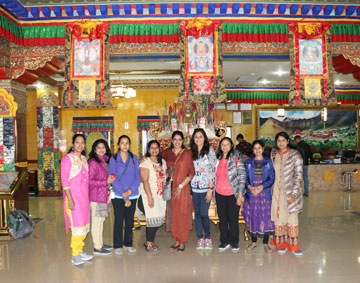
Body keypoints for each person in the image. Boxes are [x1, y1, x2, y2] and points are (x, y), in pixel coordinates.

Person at [61, 134, 93, 266]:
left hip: (84, 198)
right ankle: (75, 255)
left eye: (82, 143)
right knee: (77, 225)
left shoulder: (84, 159)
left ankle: (80, 250)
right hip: (73, 197)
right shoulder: (67, 159)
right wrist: (70, 199)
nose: (80, 145)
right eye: (77, 142)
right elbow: (65, 181)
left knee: (84, 225)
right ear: (73, 144)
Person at [271, 132, 303, 256]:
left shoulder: (295, 155)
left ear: (288, 141)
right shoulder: (273, 154)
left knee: (292, 217)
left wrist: (294, 193)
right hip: (276, 191)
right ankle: (281, 244)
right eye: (279, 141)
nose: (281, 143)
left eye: (283, 140)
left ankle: (294, 246)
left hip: (290, 192)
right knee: (279, 216)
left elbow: (298, 175)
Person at [162, 131, 195, 252]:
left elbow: (191, 172)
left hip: (182, 188)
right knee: (173, 214)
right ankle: (177, 239)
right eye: (175, 139)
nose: (177, 142)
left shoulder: (187, 153)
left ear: (183, 141)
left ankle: (182, 241)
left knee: (183, 213)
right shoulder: (166, 152)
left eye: (179, 139)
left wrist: (180, 186)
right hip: (170, 187)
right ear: (171, 140)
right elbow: (157, 161)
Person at [109, 135, 140, 255]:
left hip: (132, 195)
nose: (125, 145)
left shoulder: (134, 158)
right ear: (118, 145)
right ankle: (117, 245)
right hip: (118, 195)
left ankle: (128, 243)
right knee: (118, 219)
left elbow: (137, 178)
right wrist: (124, 195)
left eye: (127, 143)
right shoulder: (114, 158)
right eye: (122, 143)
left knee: (129, 220)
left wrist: (129, 192)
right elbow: (113, 177)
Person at [242, 140, 275, 253]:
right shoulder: (248, 162)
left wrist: (262, 186)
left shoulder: (268, 162)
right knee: (253, 217)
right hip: (252, 194)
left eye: (259, 148)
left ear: (263, 148)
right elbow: (245, 178)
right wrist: (250, 187)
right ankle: (254, 242)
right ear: (252, 150)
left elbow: (272, 178)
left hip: (264, 193)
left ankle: (266, 243)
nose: (257, 150)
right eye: (255, 148)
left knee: (266, 218)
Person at [215, 137, 246, 252]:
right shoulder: (217, 158)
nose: (225, 147)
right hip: (219, 193)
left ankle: (234, 242)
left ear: (231, 145)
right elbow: (214, 176)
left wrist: (240, 194)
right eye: (222, 144)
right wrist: (213, 192)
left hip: (232, 193)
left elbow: (242, 176)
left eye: (227, 144)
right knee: (222, 219)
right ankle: (224, 241)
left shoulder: (236, 158)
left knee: (233, 219)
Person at [190, 128, 216, 250]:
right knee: (198, 214)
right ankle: (200, 238)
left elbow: (212, 171)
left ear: (204, 138)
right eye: (196, 137)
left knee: (205, 214)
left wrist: (210, 189)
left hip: (206, 188)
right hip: (194, 188)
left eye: (201, 136)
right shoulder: (191, 152)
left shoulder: (209, 151)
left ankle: (208, 237)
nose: (198, 139)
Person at [138, 140, 167, 252]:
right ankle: (149, 243)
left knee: (156, 219)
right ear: (148, 149)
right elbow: (144, 181)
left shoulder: (162, 162)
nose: (154, 150)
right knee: (152, 218)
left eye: (156, 148)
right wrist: (150, 197)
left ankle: (149, 241)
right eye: (151, 148)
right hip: (147, 196)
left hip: (160, 196)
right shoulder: (145, 162)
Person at [88, 139, 113, 256]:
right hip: (96, 196)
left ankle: (101, 243)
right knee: (97, 221)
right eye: (99, 148)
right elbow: (89, 181)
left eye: (103, 147)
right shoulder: (93, 162)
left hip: (104, 195)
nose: (101, 149)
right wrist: (105, 181)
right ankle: (97, 247)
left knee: (102, 220)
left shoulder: (104, 161)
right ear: (94, 149)